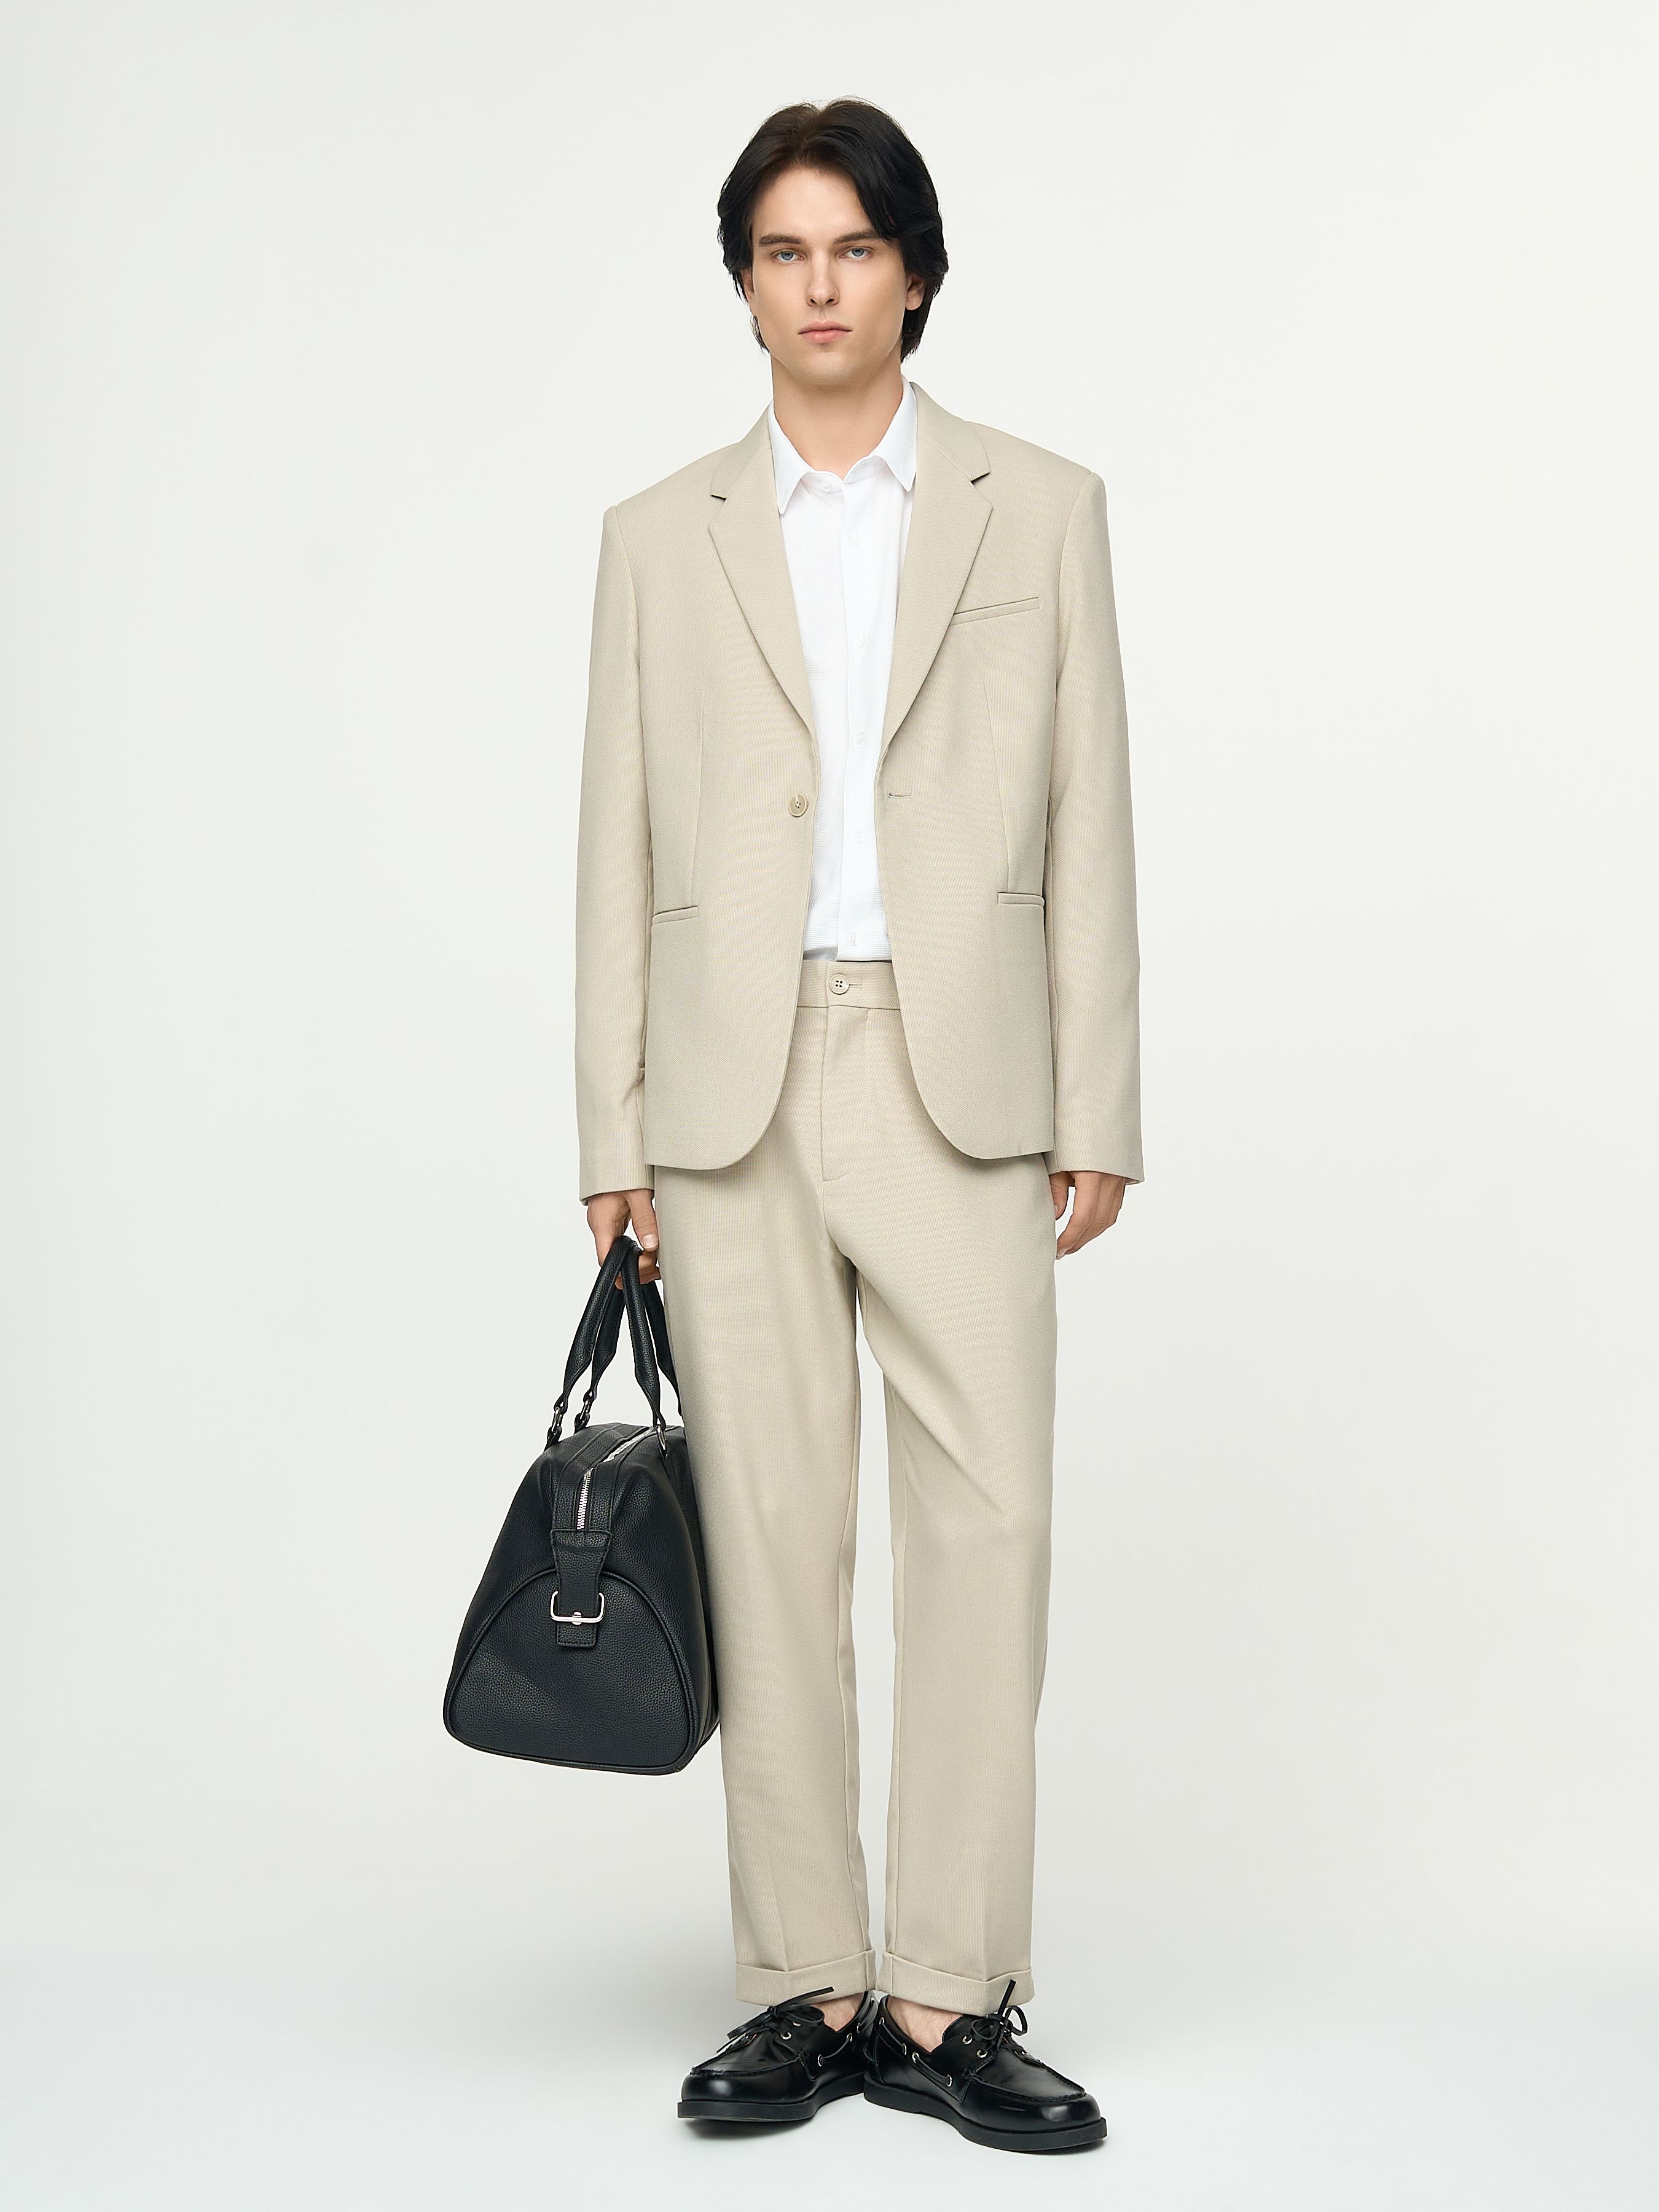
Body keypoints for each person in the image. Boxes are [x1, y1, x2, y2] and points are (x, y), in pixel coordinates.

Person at [572, 98, 1141, 2155]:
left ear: (913, 272)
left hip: (958, 1064)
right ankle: (806, 1987)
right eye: (780, 252)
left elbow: (1088, 806)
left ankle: (947, 1992)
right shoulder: (658, 534)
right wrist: (611, 1126)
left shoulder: (1038, 506)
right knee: (767, 1529)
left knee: (987, 1525)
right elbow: (617, 840)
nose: (817, 286)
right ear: (746, 285)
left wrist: (1100, 1095)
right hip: (724, 1081)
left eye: (852, 248)